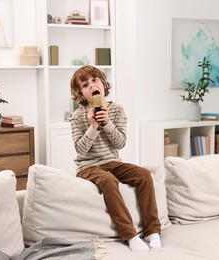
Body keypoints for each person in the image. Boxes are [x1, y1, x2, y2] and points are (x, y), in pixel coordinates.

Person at [69, 65, 161, 251]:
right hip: (88, 167)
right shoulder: (78, 116)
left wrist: (108, 123)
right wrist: (93, 126)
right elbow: (81, 151)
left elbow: (120, 143)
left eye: (95, 80)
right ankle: (130, 235)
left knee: (144, 174)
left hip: (113, 161)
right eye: (85, 85)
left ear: (103, 83)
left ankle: (152, 231)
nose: (92, 86)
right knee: (109, 181)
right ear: (80, 92)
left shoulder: (117, 110)